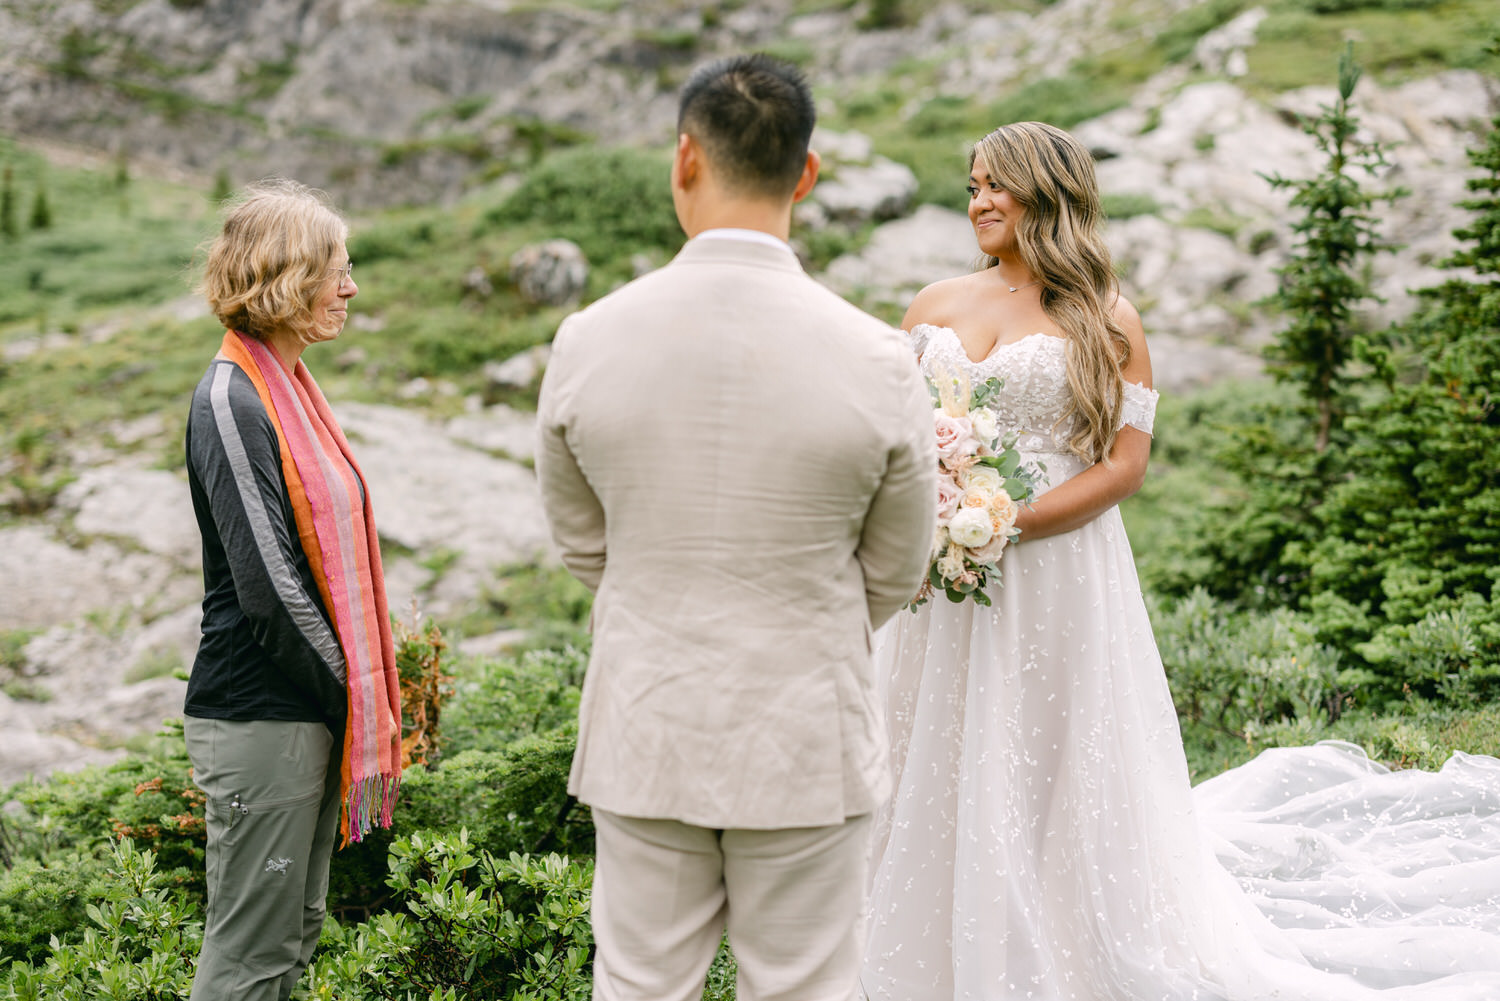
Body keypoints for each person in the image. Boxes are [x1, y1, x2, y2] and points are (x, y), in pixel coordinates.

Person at [861, 121, 1500, 1001]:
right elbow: (891, 431)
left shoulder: (1106, 316)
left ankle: (1049, 929)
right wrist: (928, 511)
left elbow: (1126, 464)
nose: (979, 201)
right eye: (972, 185)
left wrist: (1010, 521)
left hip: (1056, 571)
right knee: (929, 735)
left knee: (1041, 751)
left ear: (1048, 191)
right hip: (941, 570)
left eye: (996, 185)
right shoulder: (931, 302)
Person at [535, 53, 937, 1001]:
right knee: (806, 987)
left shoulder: (589, 338)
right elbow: (896, 564)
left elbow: (581, 541)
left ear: (684, 159)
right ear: (807, 172)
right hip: (808, 731)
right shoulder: (878, 358)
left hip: (647, 721)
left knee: (637, 984)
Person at [183, 179, 402, 1001]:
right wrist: (356, 696)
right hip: (260, 719)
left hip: (297, 714)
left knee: (293, 934)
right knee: (252, 958)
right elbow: (270, 592)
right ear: (281, 278)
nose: (350, 288)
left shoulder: (288, 391)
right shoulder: (232, 401)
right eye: (334, 271)